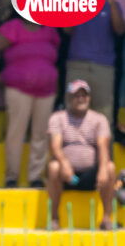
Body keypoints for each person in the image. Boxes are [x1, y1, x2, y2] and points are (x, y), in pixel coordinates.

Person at [0, 16, 59, 188]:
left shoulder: (50, 29)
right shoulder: (14, 27)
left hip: (47, 90)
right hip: (18, 88)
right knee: (15, 132)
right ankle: (12, 176)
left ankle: (36, 176)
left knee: (41, 133)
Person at [47, 80, 117, 231]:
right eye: (76, 95)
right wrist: (64, 165)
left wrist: (103, 170)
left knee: (110, 167)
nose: (80, 99)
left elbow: (103, 147)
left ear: (89, 98)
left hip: (90, 175)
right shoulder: (58, 118)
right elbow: (55, 146)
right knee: (53, 167)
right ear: (68, 98)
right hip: (66, 175)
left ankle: (106, 218)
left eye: (84, 95)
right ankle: (54, 218)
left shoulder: (99, 119)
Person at [63, 0, 124, 129]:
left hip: (103, 67)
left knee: (103, 119)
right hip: (77, 64)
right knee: (72, 116)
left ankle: (103, 155)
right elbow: (67, 30)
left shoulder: (112, 5)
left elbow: (119, 29)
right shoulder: (74, 4)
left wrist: (110, 1)